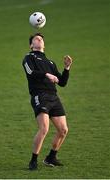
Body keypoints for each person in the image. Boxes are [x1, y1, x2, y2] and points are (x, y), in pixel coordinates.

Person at [22, 33, 73, 170]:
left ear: (44, 44)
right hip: (40, 95)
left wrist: (67, 68)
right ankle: (33, 160)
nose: (39, 40)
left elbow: (62, 82)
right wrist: (46, 75)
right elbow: (31, 73)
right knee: (44, 128)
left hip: (54, 97)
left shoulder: (50, 63)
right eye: (36, 39)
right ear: (31, 45)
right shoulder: (28, 58)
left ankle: (51, 157)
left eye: (41, 39)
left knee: (63, 130)